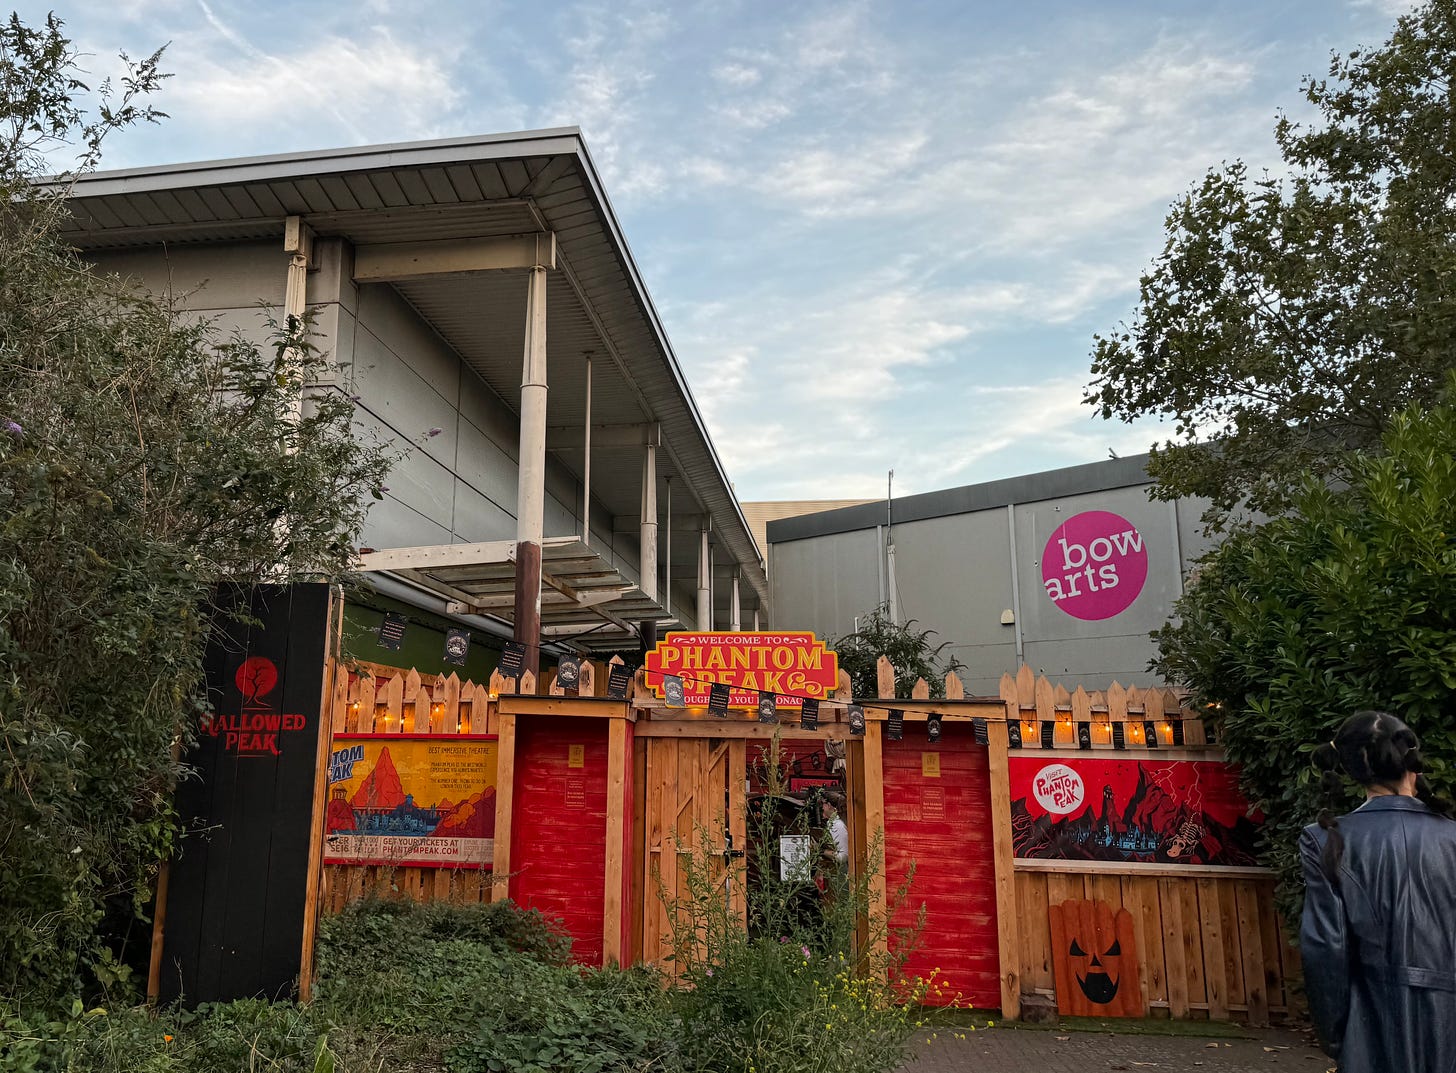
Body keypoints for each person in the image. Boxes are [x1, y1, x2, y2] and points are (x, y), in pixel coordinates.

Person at [1300, 710, 1456, 1072]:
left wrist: (1337, 1036)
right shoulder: (1451, 836)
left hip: (1370, 1022)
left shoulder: (1326, 838)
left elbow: (1325, 950)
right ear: (1412, 763)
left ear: (1350, 770)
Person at [820, 791, 849, 869]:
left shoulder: (837, 825)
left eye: (823, 804)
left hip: (841, 873)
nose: (822, 807)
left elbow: (843, 857)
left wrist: (821, 851)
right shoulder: (834, 823)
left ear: (828, 805)